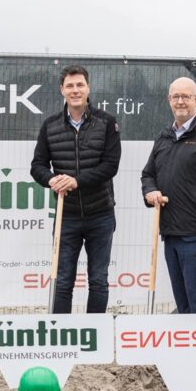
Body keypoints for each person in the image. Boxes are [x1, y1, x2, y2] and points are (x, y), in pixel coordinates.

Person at [31, 65, 121, 314]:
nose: (75, 90)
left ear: (88, 88)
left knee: (98, 280)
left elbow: (110, 166)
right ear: (62, 90)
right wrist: (52, 180)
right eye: (69, 86)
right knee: (62, 281)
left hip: (101, 214)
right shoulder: (49, 126)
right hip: (66, 216)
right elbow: (37, 166)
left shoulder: (107, 123)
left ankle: (96, 333)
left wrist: (76, 181)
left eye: (80, 85)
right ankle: (61, 334)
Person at [140, 77, 196, 313]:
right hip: (170, 233)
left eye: (186, 96)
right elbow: (148, 175)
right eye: (176, 97)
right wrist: (151, 191)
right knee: (182, 302)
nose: (180, 101)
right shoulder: (164, 137)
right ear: (169, 100)